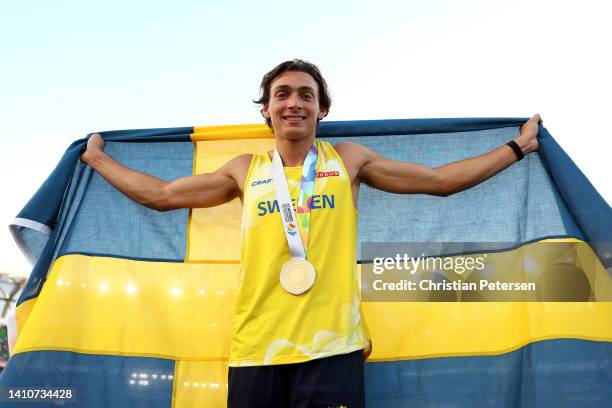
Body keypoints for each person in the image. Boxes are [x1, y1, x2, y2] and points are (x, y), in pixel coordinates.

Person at [80, 59, 541, 407]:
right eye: (282, 94)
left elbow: (441, 182)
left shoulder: (349, 160)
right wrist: (96, 158)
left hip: (334, 346)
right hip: (256, 347)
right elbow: (161, 195)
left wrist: (518, 147)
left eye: (305, 94)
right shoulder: (245, 170)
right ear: (267, 109)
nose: (293, 102)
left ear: (322, 108)